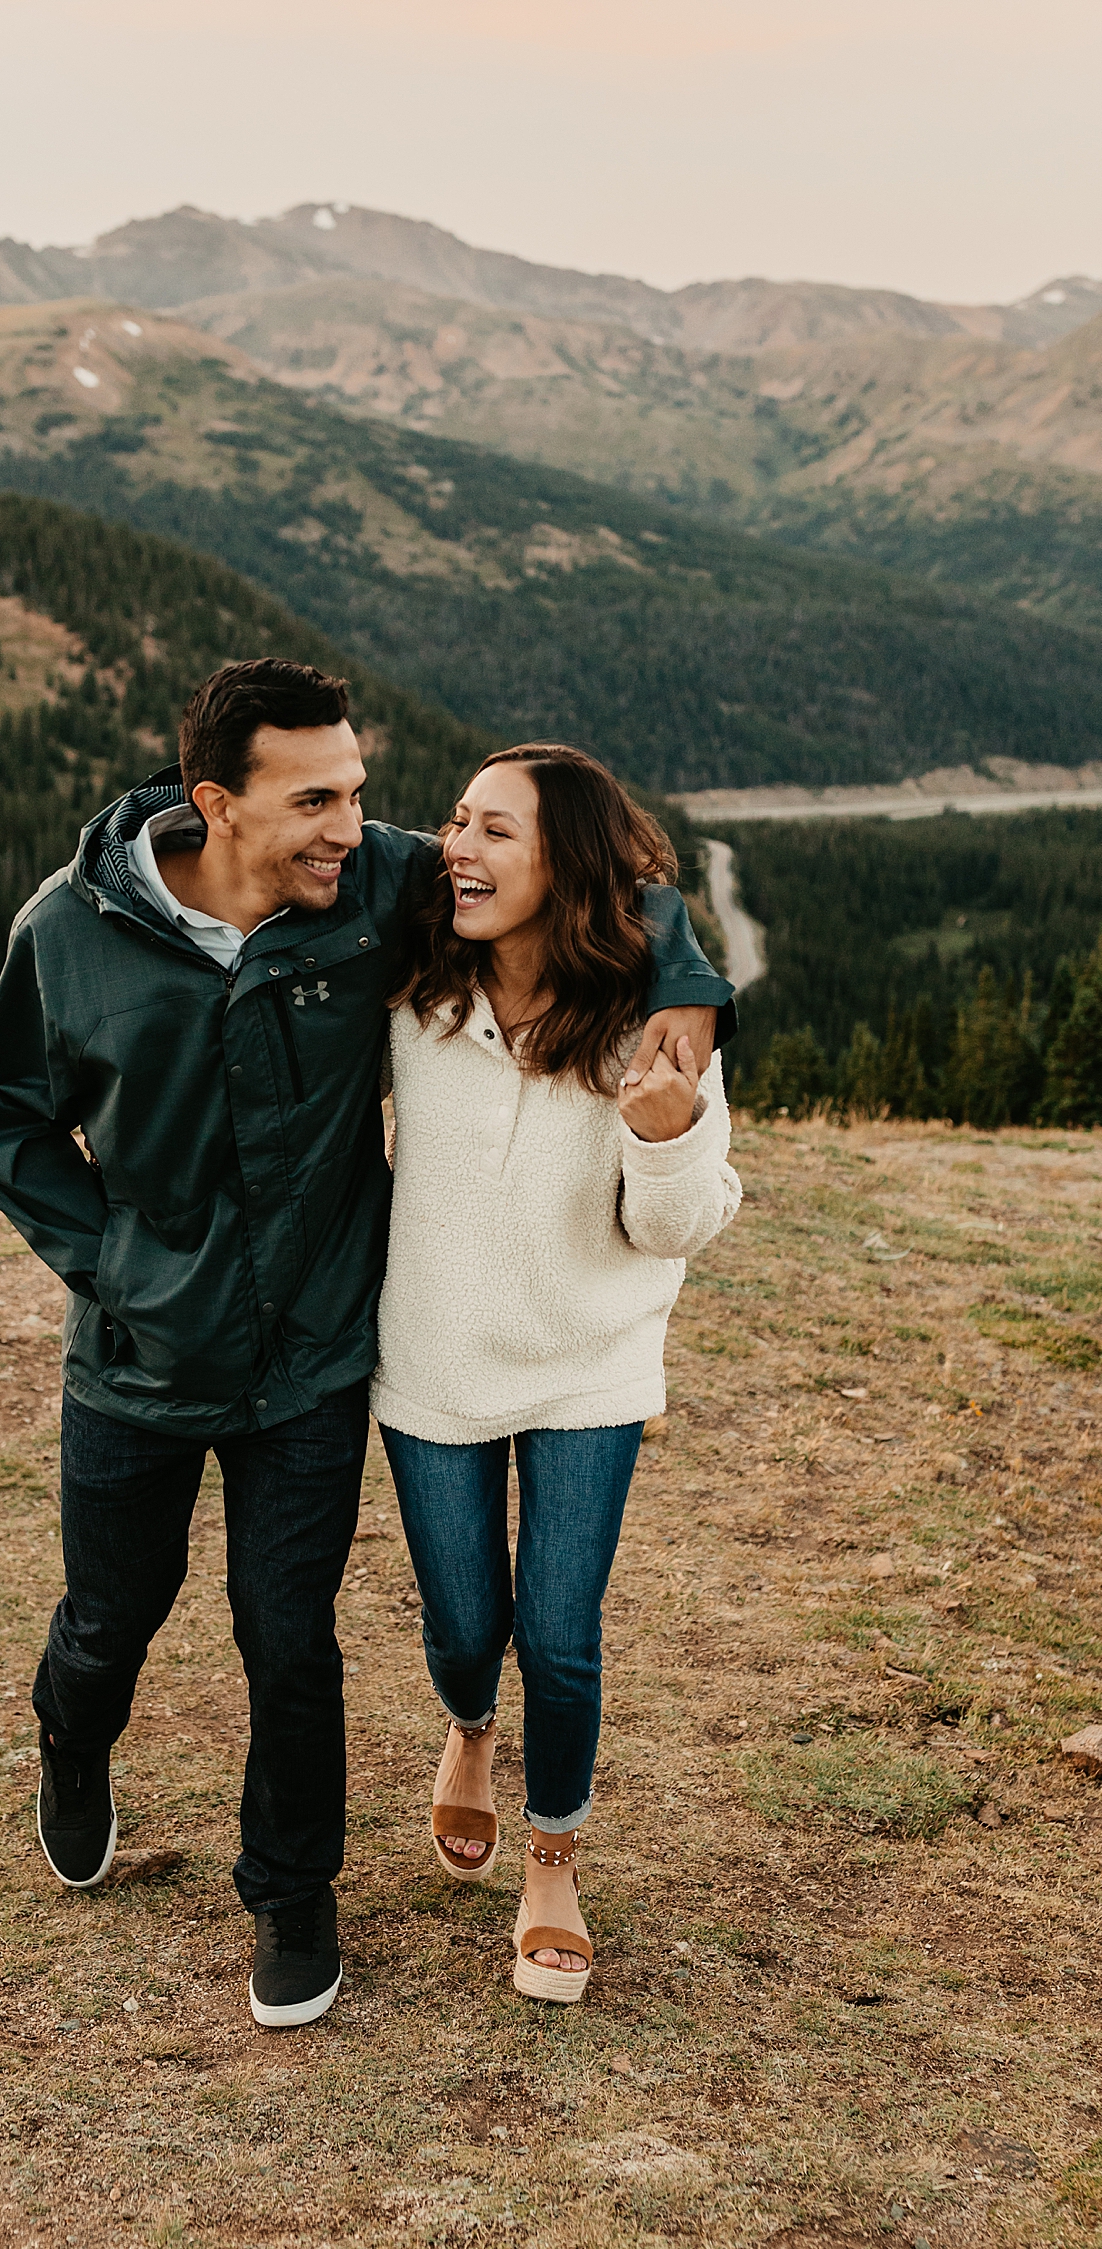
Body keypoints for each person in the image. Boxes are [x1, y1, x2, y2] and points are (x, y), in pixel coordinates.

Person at [0, 662, 733, 2030]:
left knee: (288, 1635)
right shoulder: (66, 932)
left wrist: (691, 978)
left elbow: (598, 872)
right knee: (108, 1618)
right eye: (317, 798)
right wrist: (114, 1264)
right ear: (215, 803)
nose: (356, 826)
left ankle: (291, 1899)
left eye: (360, 793)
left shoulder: (372, 886)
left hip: (311, 1354)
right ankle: (74, 1739)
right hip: (134, 1359)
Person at [369, 743, 741, 2003]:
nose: (455, 848)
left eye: (496, 832)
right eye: (456, 821)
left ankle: (552, 1859)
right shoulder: (414, 978)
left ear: (566, 864)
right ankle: (470, 1729)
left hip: (592, 1365)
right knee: (468, 1621)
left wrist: (669, 1136)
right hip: (433, 1359)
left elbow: (684, 1222)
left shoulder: (655, 1015)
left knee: (563, 1634)